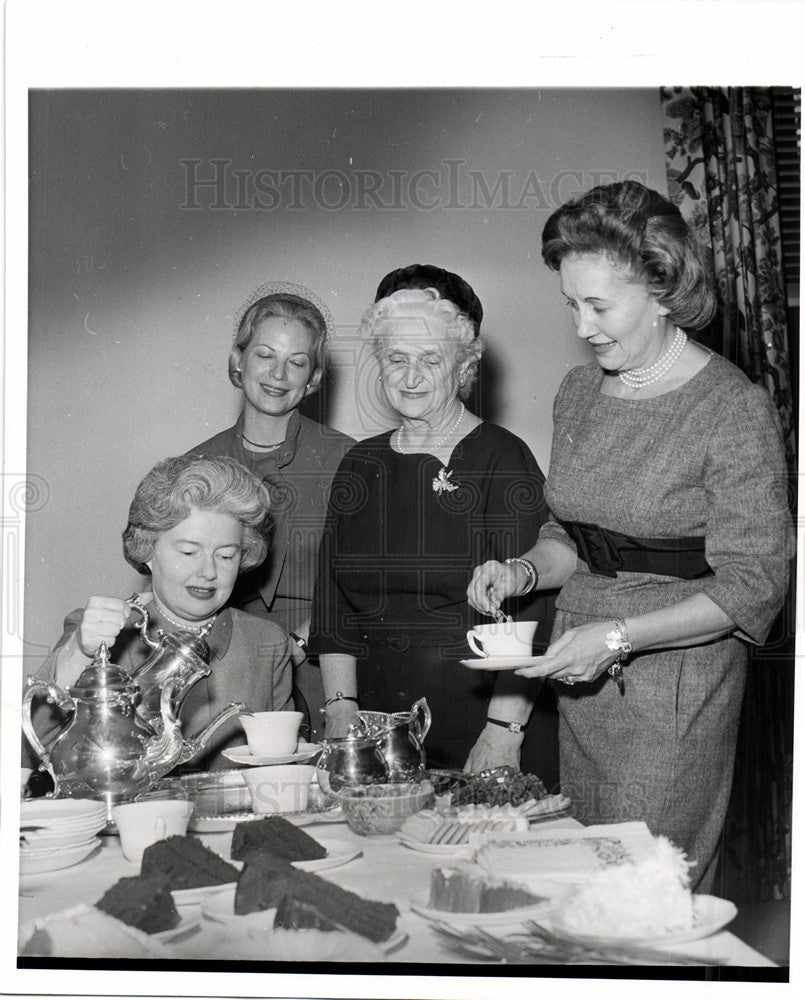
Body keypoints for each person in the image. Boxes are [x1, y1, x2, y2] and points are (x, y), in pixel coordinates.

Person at [467, 180, 794, 892]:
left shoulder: (730, 408)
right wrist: (523, 572)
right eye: (570, 304)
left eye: (598, 306)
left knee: (644, 895)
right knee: (580, 888)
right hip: (577, 677)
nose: (581, 326)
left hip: (675, 686)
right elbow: (574, 533)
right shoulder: (578, 392)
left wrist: (617, 638)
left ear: (663, 289)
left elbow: (755, 583)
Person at [308, 268, 553, 770]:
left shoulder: (502, 457)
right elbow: (332, 604)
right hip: (375, 721)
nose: (411, 377)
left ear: (463, 367)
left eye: (430, 360)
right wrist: (340, 709)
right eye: (396, 359)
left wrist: (504, 730)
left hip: (481, 716)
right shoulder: (361, 464)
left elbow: (535, 611)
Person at [33, 454, 294, 770]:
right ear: (148, 551)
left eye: (225, 556)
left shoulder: (266, 641)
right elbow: (37, 746)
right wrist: (78, 652)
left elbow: (282, 761)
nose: (208, 572)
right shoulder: (106, 636)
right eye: (188, 552)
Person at [186, 282, 354, 736]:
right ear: (238, 361)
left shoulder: (350, 459)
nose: (279, 374)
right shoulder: (195, 467)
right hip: (222, 674)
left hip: (328, 667)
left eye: (297, 362)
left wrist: (298, 643)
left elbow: (363, 580)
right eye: (265, 355)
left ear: (313, 378)